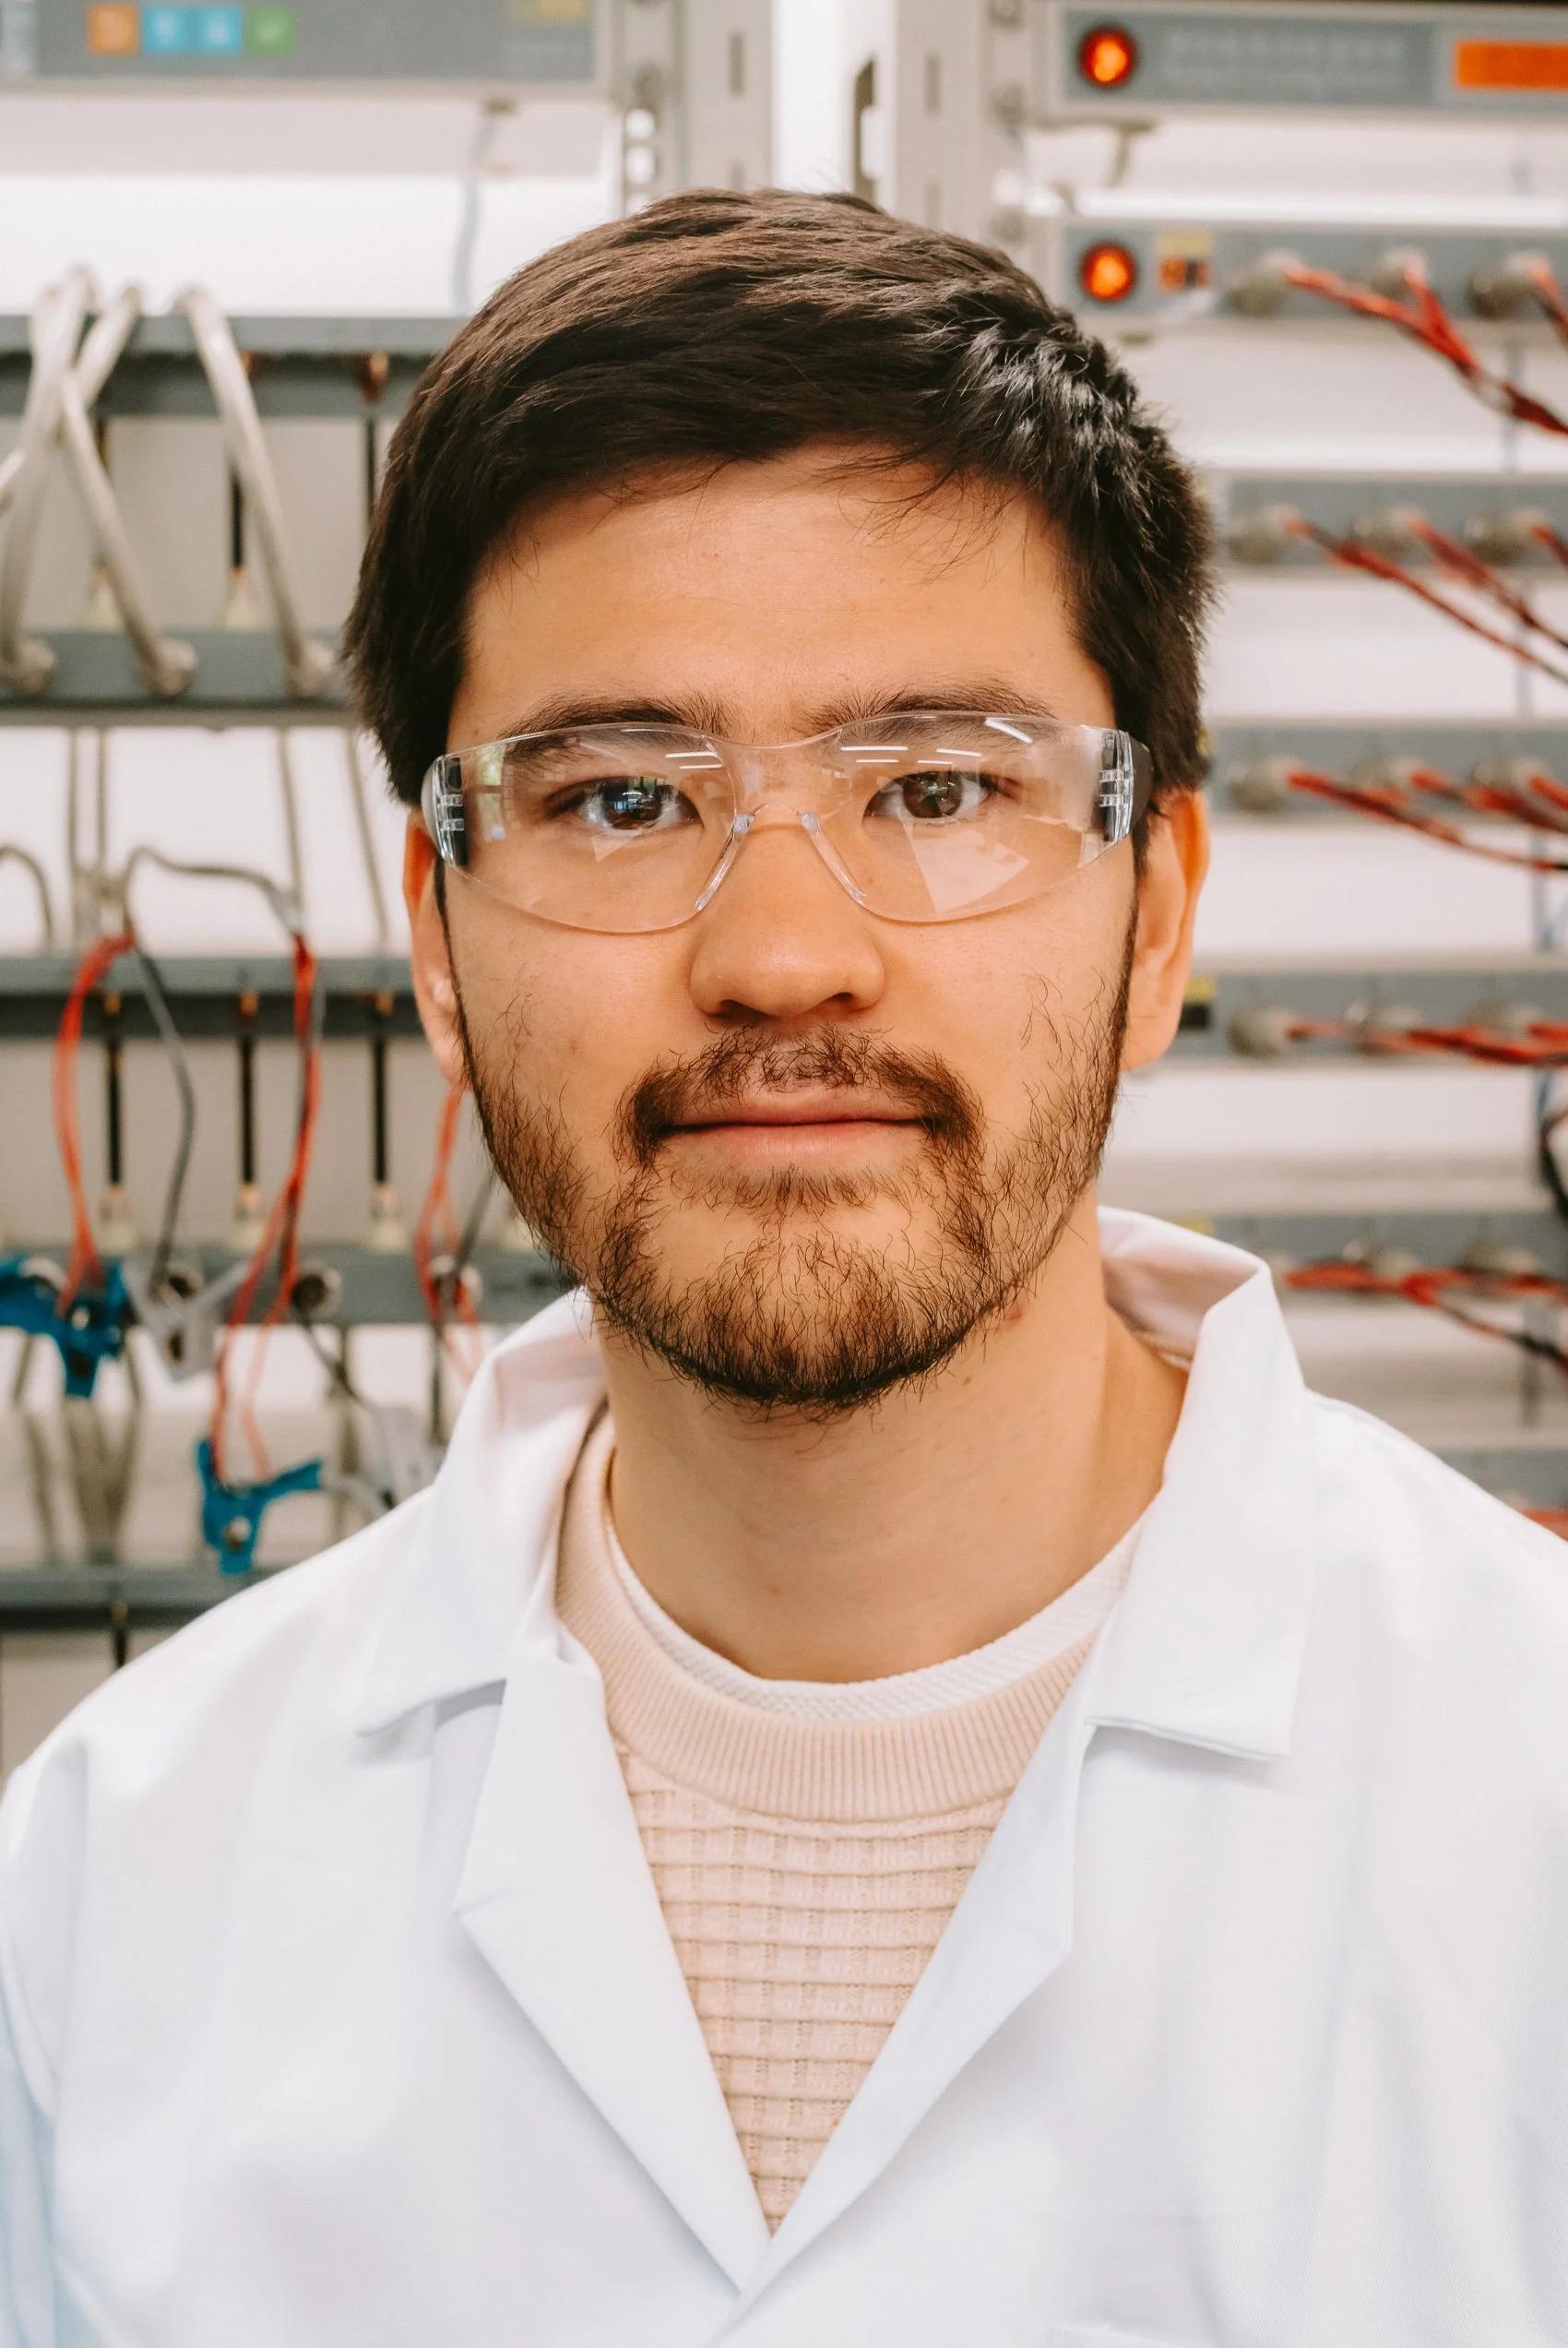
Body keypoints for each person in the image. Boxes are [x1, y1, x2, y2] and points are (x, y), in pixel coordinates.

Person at [4, 191, 1567, 2348]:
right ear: (439, 949)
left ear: (1159, 916)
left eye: (936, 782)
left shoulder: (1527, 1784)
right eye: (623, 799)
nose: (781, 957)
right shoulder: (118, 1870)